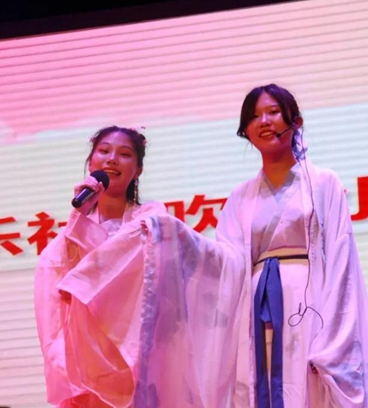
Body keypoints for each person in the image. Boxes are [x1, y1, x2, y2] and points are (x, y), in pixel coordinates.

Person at [34, 126, 244, 407]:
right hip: (90, 359)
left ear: (138, 170)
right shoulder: (71, 232)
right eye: (104, 151)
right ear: (91, 161)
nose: (112, 159)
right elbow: (58, 288)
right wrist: (79, 217)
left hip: (144, 355)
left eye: (124, 154)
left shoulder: (150, 220)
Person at [222, 83, 368, 407]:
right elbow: (225, 262)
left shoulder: (324, 182)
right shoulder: (239, 196)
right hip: (256, 312)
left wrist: (333, 337)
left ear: (296, 121)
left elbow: (341, 259)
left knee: (308, 386)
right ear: (246, 130)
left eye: (273, 112)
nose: (264, 121)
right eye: (255, 116)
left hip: (310, 307)